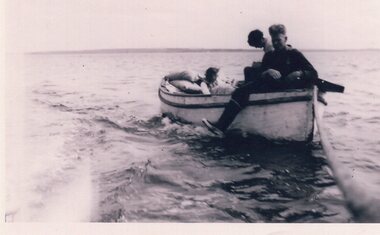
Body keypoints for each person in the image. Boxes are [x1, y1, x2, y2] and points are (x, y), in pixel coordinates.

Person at [202, 24, 318, 136]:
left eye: (279, 40)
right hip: (273, 85)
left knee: (245, 87)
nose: (276, 43)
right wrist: (266, 72)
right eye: (274, 41)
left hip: (288, 85)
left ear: (285, 39)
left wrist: (299, 73)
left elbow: (313, 73)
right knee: (240, 91)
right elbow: (259, 75)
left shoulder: (294, 53)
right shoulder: (269, 55)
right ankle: (221, 127)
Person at [164, 67, 234, 95]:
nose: (217, 77)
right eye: (215, 75)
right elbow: (207, 95)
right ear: (211, 76)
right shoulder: (203, 84)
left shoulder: (215, 81)